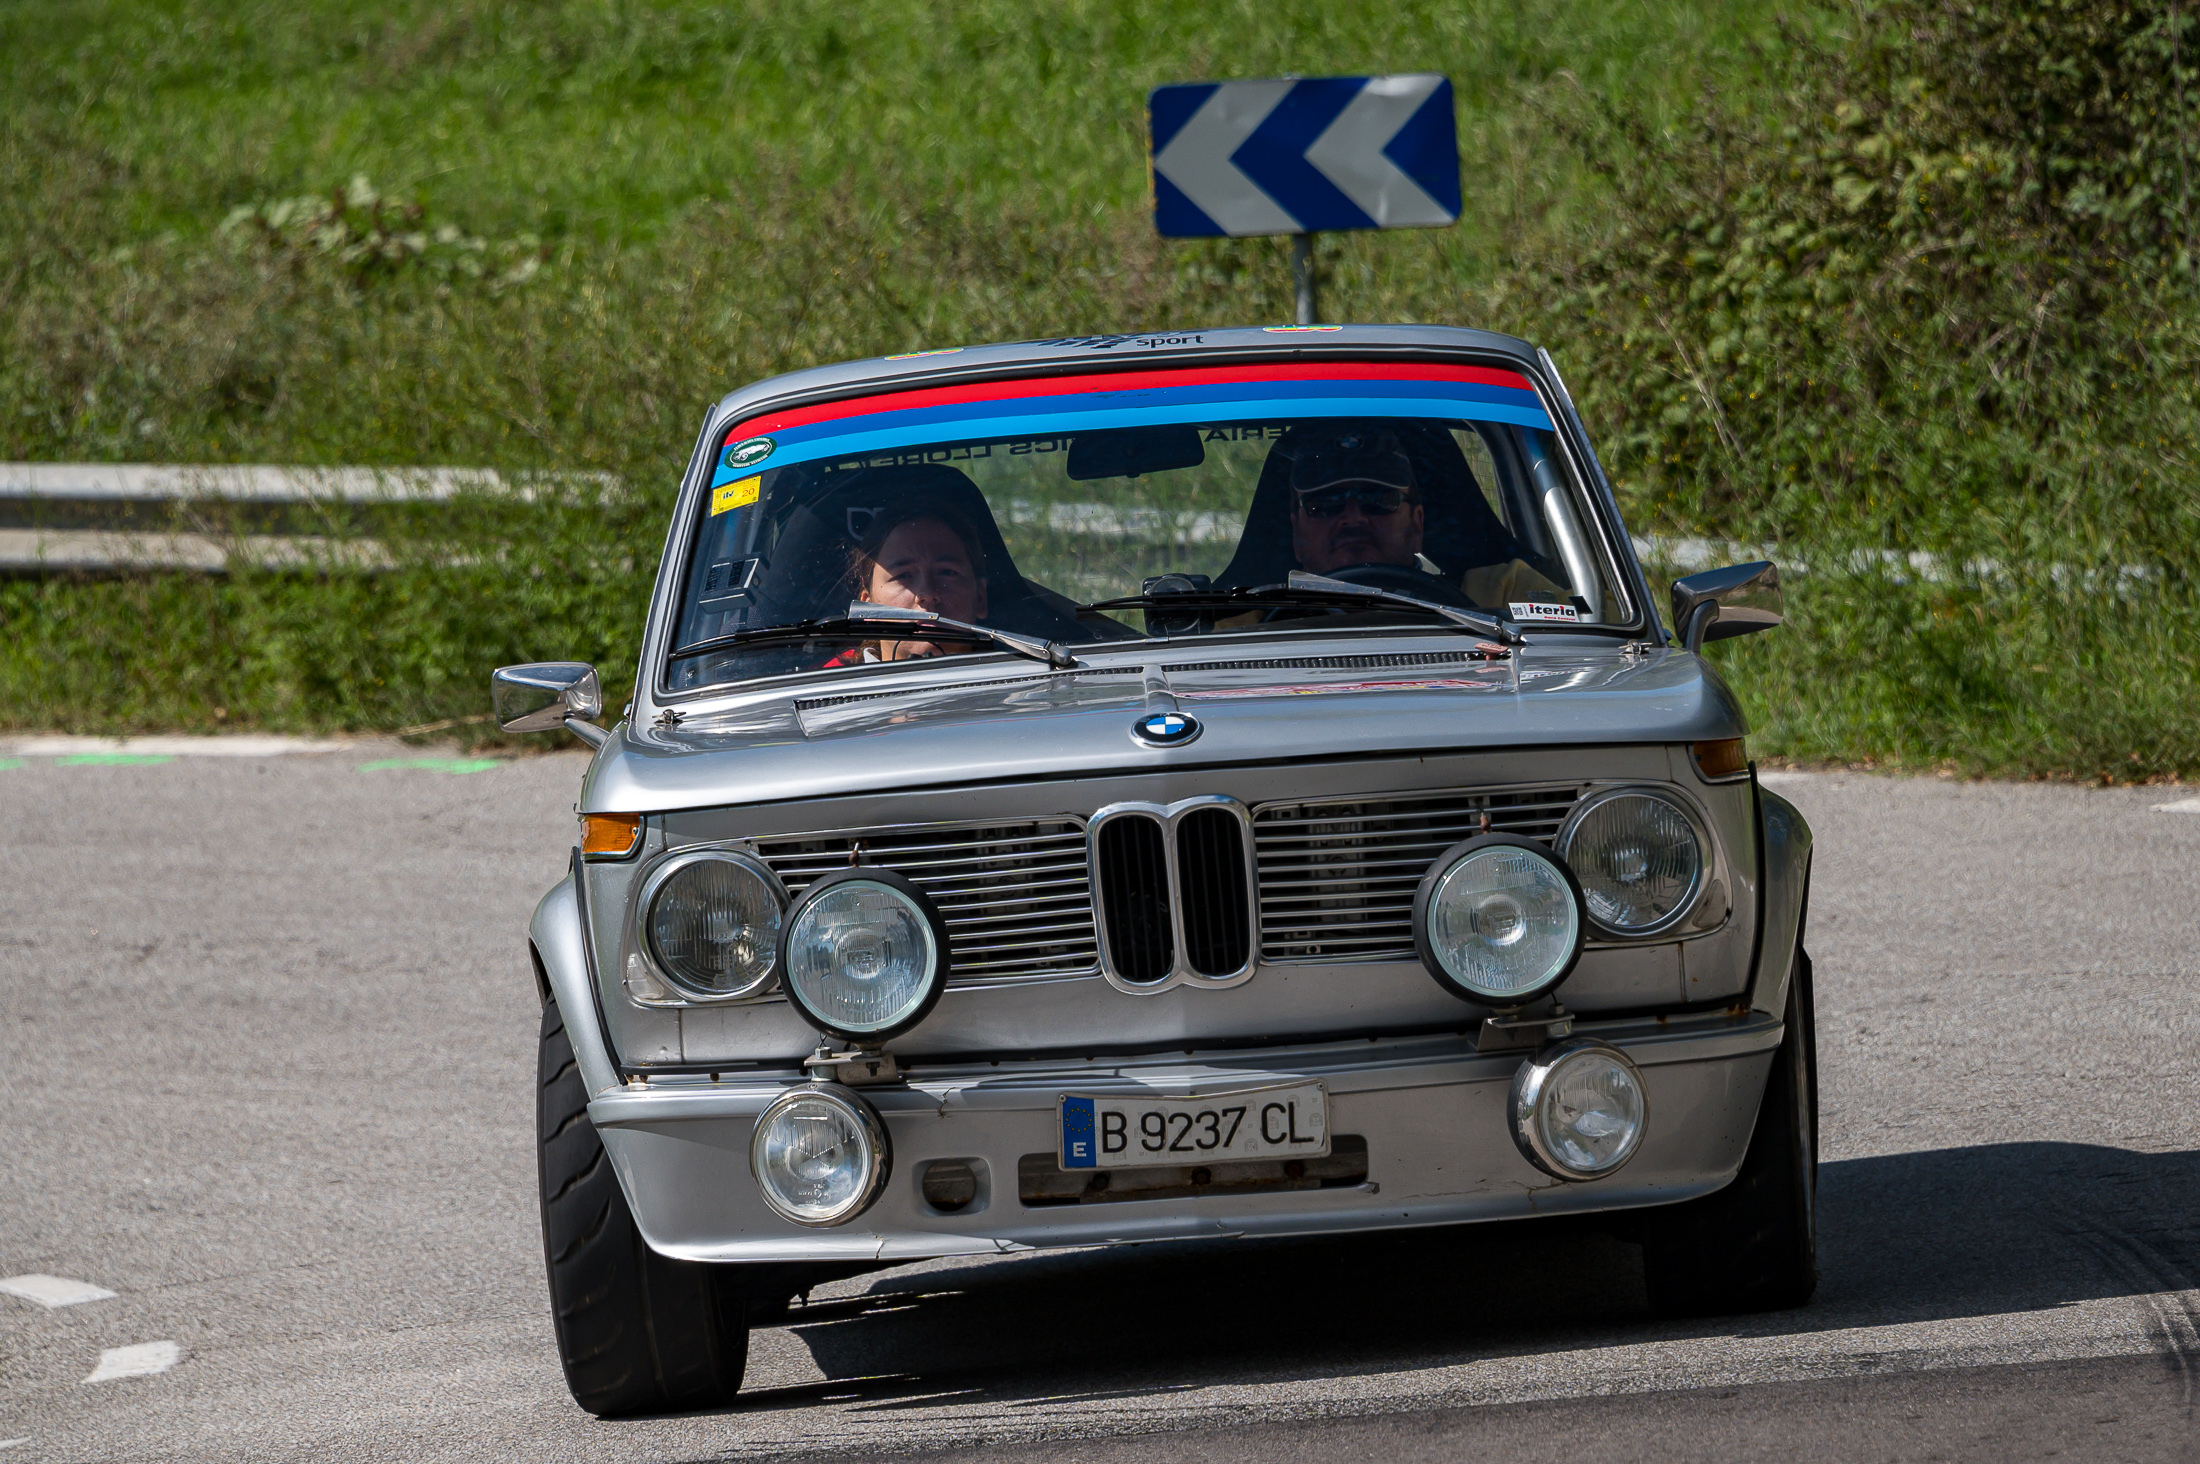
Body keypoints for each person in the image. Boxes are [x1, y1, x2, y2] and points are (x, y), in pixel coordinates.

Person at [1284, 427, 1573, 610]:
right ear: (1296, 535)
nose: (1353, 517)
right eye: (1325, 503)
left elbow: (1603, 626)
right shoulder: (1247, 623)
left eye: (1377, 500)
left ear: (1416, 526)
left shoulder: (1500, 593)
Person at [825, 502, 992, 665]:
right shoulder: (825, 689)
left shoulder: (1017, 675)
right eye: (903, 575)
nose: (926, 594)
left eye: (946, 572)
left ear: (980, 597)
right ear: (869, 610)